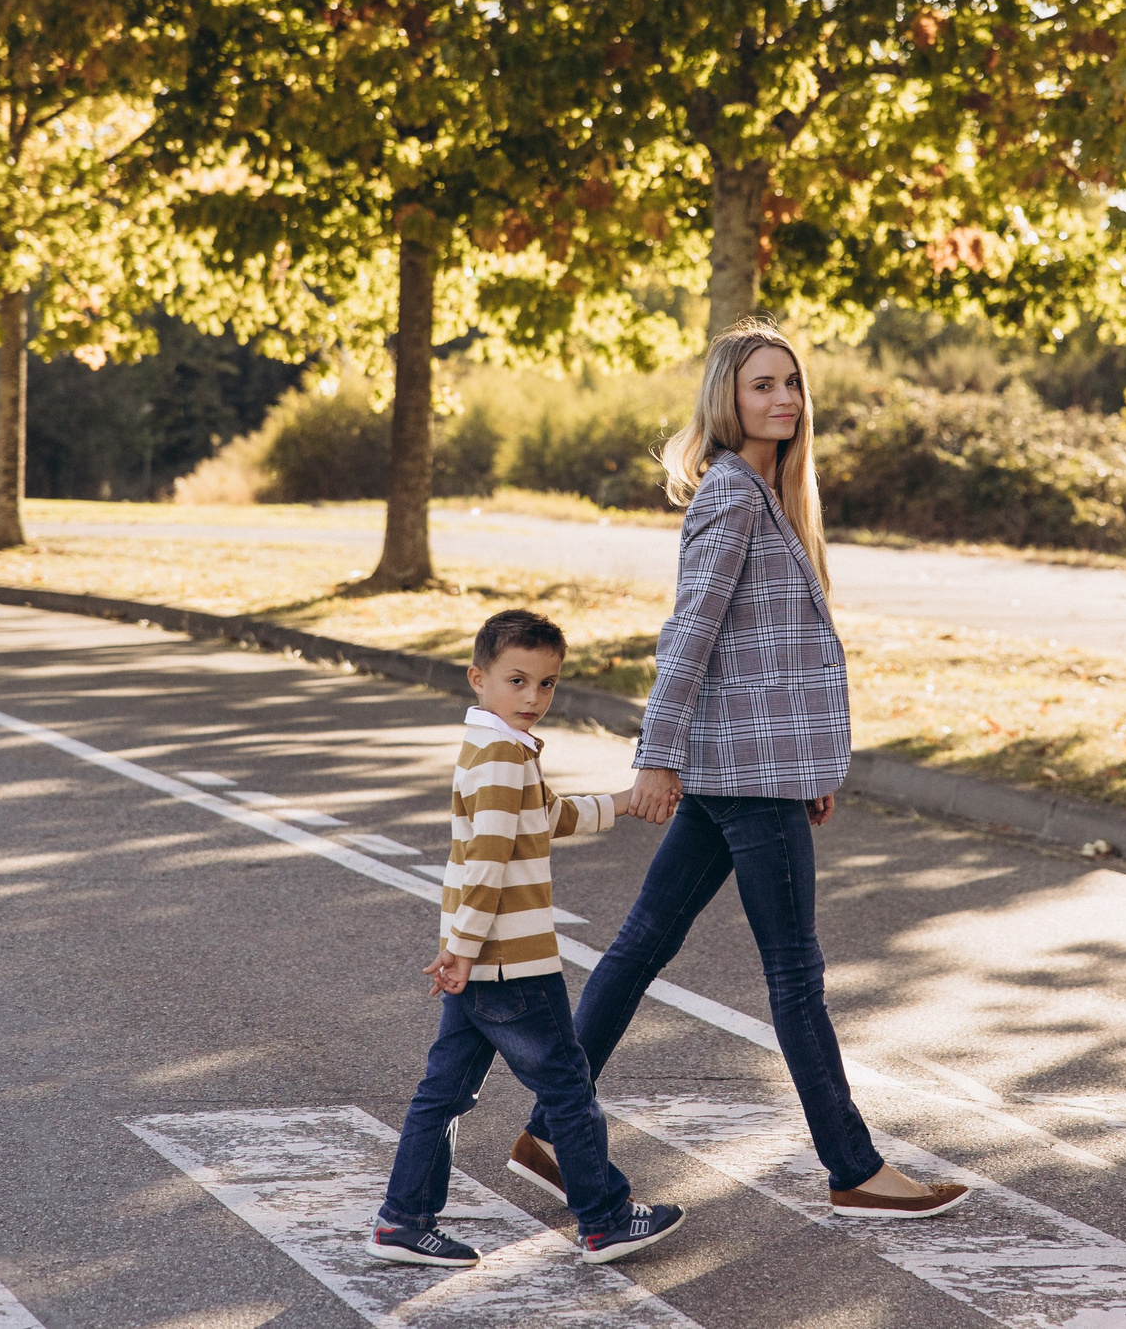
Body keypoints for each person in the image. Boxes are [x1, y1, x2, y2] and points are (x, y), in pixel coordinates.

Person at [511, 320, 970, 1221]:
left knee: (641, 946)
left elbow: (771, 658)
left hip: (756, 767)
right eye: (764, 384)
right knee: (794, 975)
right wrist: (656, 754)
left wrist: (811, 762)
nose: (784, 399)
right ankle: (853, 1167)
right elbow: (691, 636)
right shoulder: (732, 493)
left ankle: (550, 1131)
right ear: (730, 396)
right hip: (742, 777)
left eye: (792, 383)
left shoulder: (766, 492)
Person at [366, 609, 687, 1269]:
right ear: (478, 678)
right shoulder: (506, 756)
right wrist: (462, 945)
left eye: (546, 684)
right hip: (510, 960)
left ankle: (402, 1218)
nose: (533, 698)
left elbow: (542, 818)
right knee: (567, 1085)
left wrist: (624, 801)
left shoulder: (494, 749)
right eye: (518, 680)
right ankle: (603, 1219)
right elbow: (487, 859)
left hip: (483, 957)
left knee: (444, 1089)